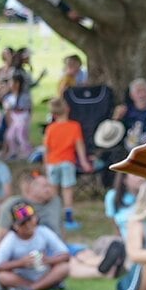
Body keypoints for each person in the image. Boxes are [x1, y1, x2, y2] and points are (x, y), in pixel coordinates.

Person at [0, 202, 72, 290]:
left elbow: (66, 255)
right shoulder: (10, 239)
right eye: (23, 223)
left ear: (36, 218)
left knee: (64, 267)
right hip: (20, 277)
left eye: (30, 220)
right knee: (2, 277)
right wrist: (20, 263)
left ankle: (30, 289)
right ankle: (45, 286)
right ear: (15, 226)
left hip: (43, 273)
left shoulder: (43, 231)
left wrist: (48, 260)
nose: (28, 225)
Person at [41, 97, 90, 229]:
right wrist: (84, 161)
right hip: (67, 163)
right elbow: (79, 145)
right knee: (67, 190)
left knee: (53, 190)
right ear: (67, 109)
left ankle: (53, 215)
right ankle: (68, 217)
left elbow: (46, 149)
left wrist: (45, 164)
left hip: (52, 163)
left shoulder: (50, 128)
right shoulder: (74, 126)